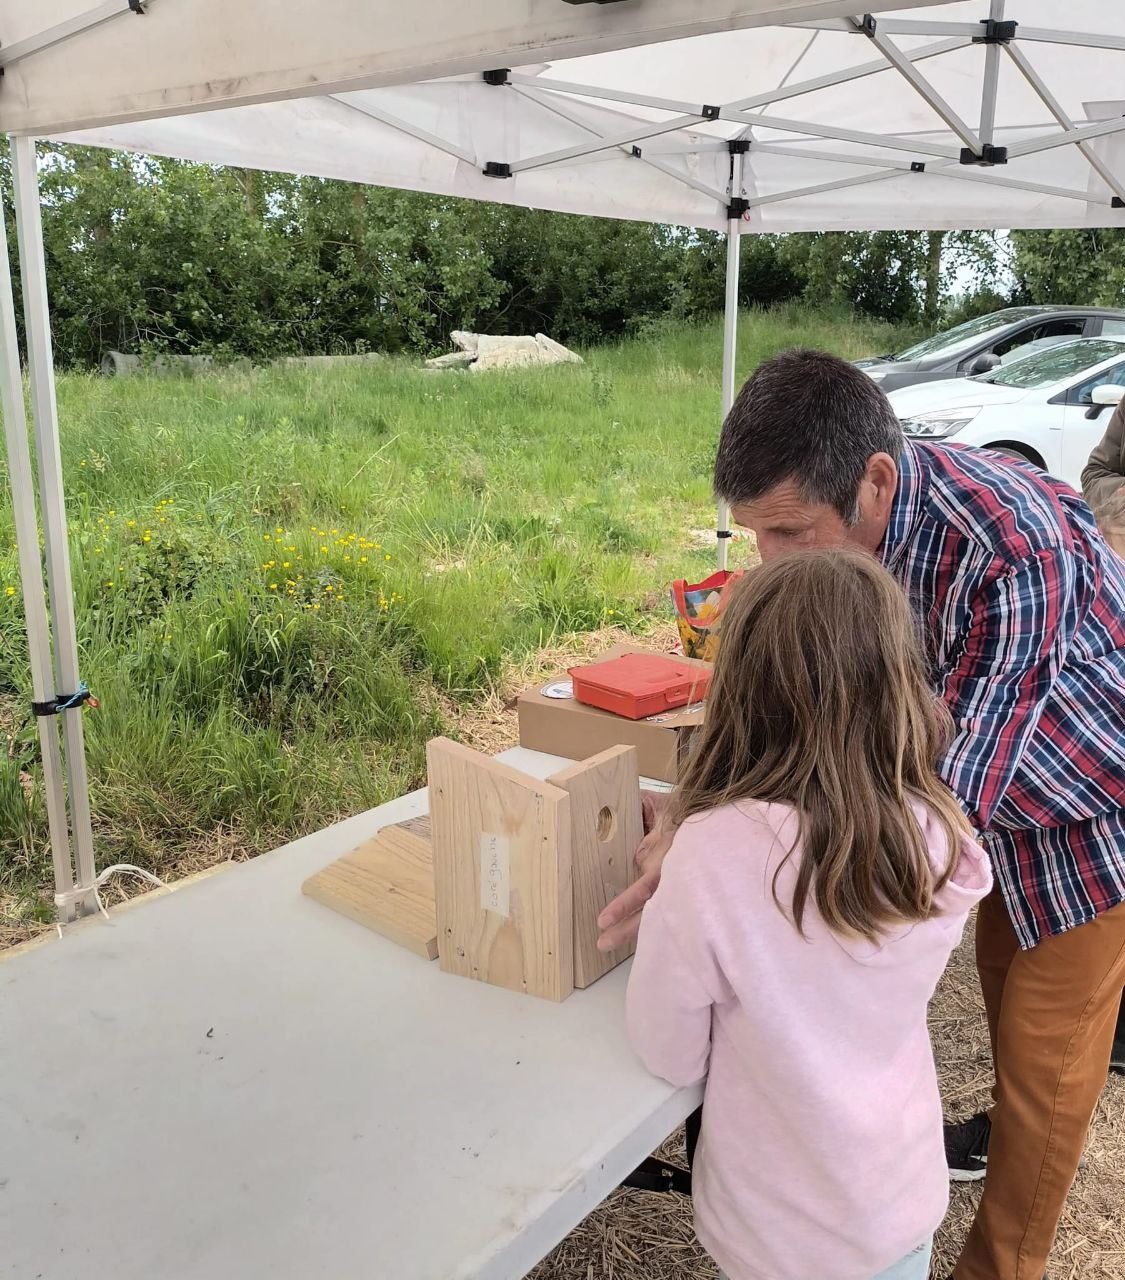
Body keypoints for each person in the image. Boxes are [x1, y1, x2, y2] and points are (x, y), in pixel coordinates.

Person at [601, 350, 1125, 1280]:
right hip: (955, 804)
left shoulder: (1015, 546)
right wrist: (700, 812)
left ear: (875, 483)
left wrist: (725, 862)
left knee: (1043, 1069)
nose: (768, 560)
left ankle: (999, 1266)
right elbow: (798, 717)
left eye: (790, 531)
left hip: (1079, 809)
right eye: (754, 533)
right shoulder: (835, 539)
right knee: (978, 1016)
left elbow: (952, 794)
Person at [626, 549, 992, 1280]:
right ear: (899, 682)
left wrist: (668, 907)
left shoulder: (710, 855)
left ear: (741, 690)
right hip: (897, 1200)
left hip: (777, 1230)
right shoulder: (936, 834)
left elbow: (668, 1051)